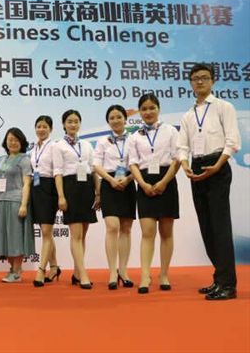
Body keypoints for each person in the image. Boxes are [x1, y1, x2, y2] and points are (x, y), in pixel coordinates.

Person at [177, 63, 241, 301]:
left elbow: (232, 141)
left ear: (213, 81)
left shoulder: (224, 107)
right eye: (195, 78)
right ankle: (219, 278)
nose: (200, 82)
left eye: (204, 77)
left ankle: (228, 285)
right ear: (190, 83)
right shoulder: (188, 115)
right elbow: (182, 145)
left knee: (220, 226)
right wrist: (184, 164)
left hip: (217, 166)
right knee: (206, 226)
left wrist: (219, 165)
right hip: (196, 167)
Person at [129, 94, 180, 294]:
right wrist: (142, 184)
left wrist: (164, 182)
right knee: (147, 232)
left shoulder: (171, 131)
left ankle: (164, 274)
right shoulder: (134, 135)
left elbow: (177, 159)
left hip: (166, 181)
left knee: (166, 233)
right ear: (139, 112)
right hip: (144, 183)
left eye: (152, 108)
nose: (148, 112)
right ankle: (145, 275)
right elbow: (133, 164)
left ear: (159, 109)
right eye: (144, 109)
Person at [53, 110, 100, 289]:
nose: (73, 124)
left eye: (76, 121)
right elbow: (58, 172)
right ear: (64, 124)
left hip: (87, 187)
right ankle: (84, 274)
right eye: (69, 121)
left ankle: (76, 272)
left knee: (83, 234)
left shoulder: (86, 145)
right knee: (76, 234)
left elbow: (93, 169)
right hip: (70, 188)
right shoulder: (59, 146)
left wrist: (98, 192)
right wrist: (61, 196)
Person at [93, 105, 136, 290]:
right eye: (112, 118)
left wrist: (128, 179)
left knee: (126, 228)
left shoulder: (134, 139)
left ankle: (123, 271)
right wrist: (110, 180)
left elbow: (139, 163)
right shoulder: (103, 141)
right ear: (108, 121)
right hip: (109, 184)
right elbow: (96, 165)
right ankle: (112, 272)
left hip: (128, 183)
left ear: (125, 119)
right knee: (112, 227)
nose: (116, 120)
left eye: (119, 117)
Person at [0, 128, 35, 283]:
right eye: (10, 139)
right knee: (4, 237)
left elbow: (27, 183)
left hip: (16, 202)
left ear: (22, 142)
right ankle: (14, 268)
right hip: (1, 202)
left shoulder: (24, 159)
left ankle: (16, 272)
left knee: (15, 237)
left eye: (16, 140)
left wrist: (24, 204)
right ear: (5, 142)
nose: (13, 142)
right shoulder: (2, 159)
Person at [30, 115, 61, 287]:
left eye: (44, 127)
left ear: (51, 129)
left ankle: (41, 270)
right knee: (45, 231)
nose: (41, 129)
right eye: (38, 126)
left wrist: (60, 195)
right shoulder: (34, 147)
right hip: (36, 188)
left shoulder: (54, 146)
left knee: (47, 231)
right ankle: (54, 267)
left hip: (49, 188)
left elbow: (57, 171)